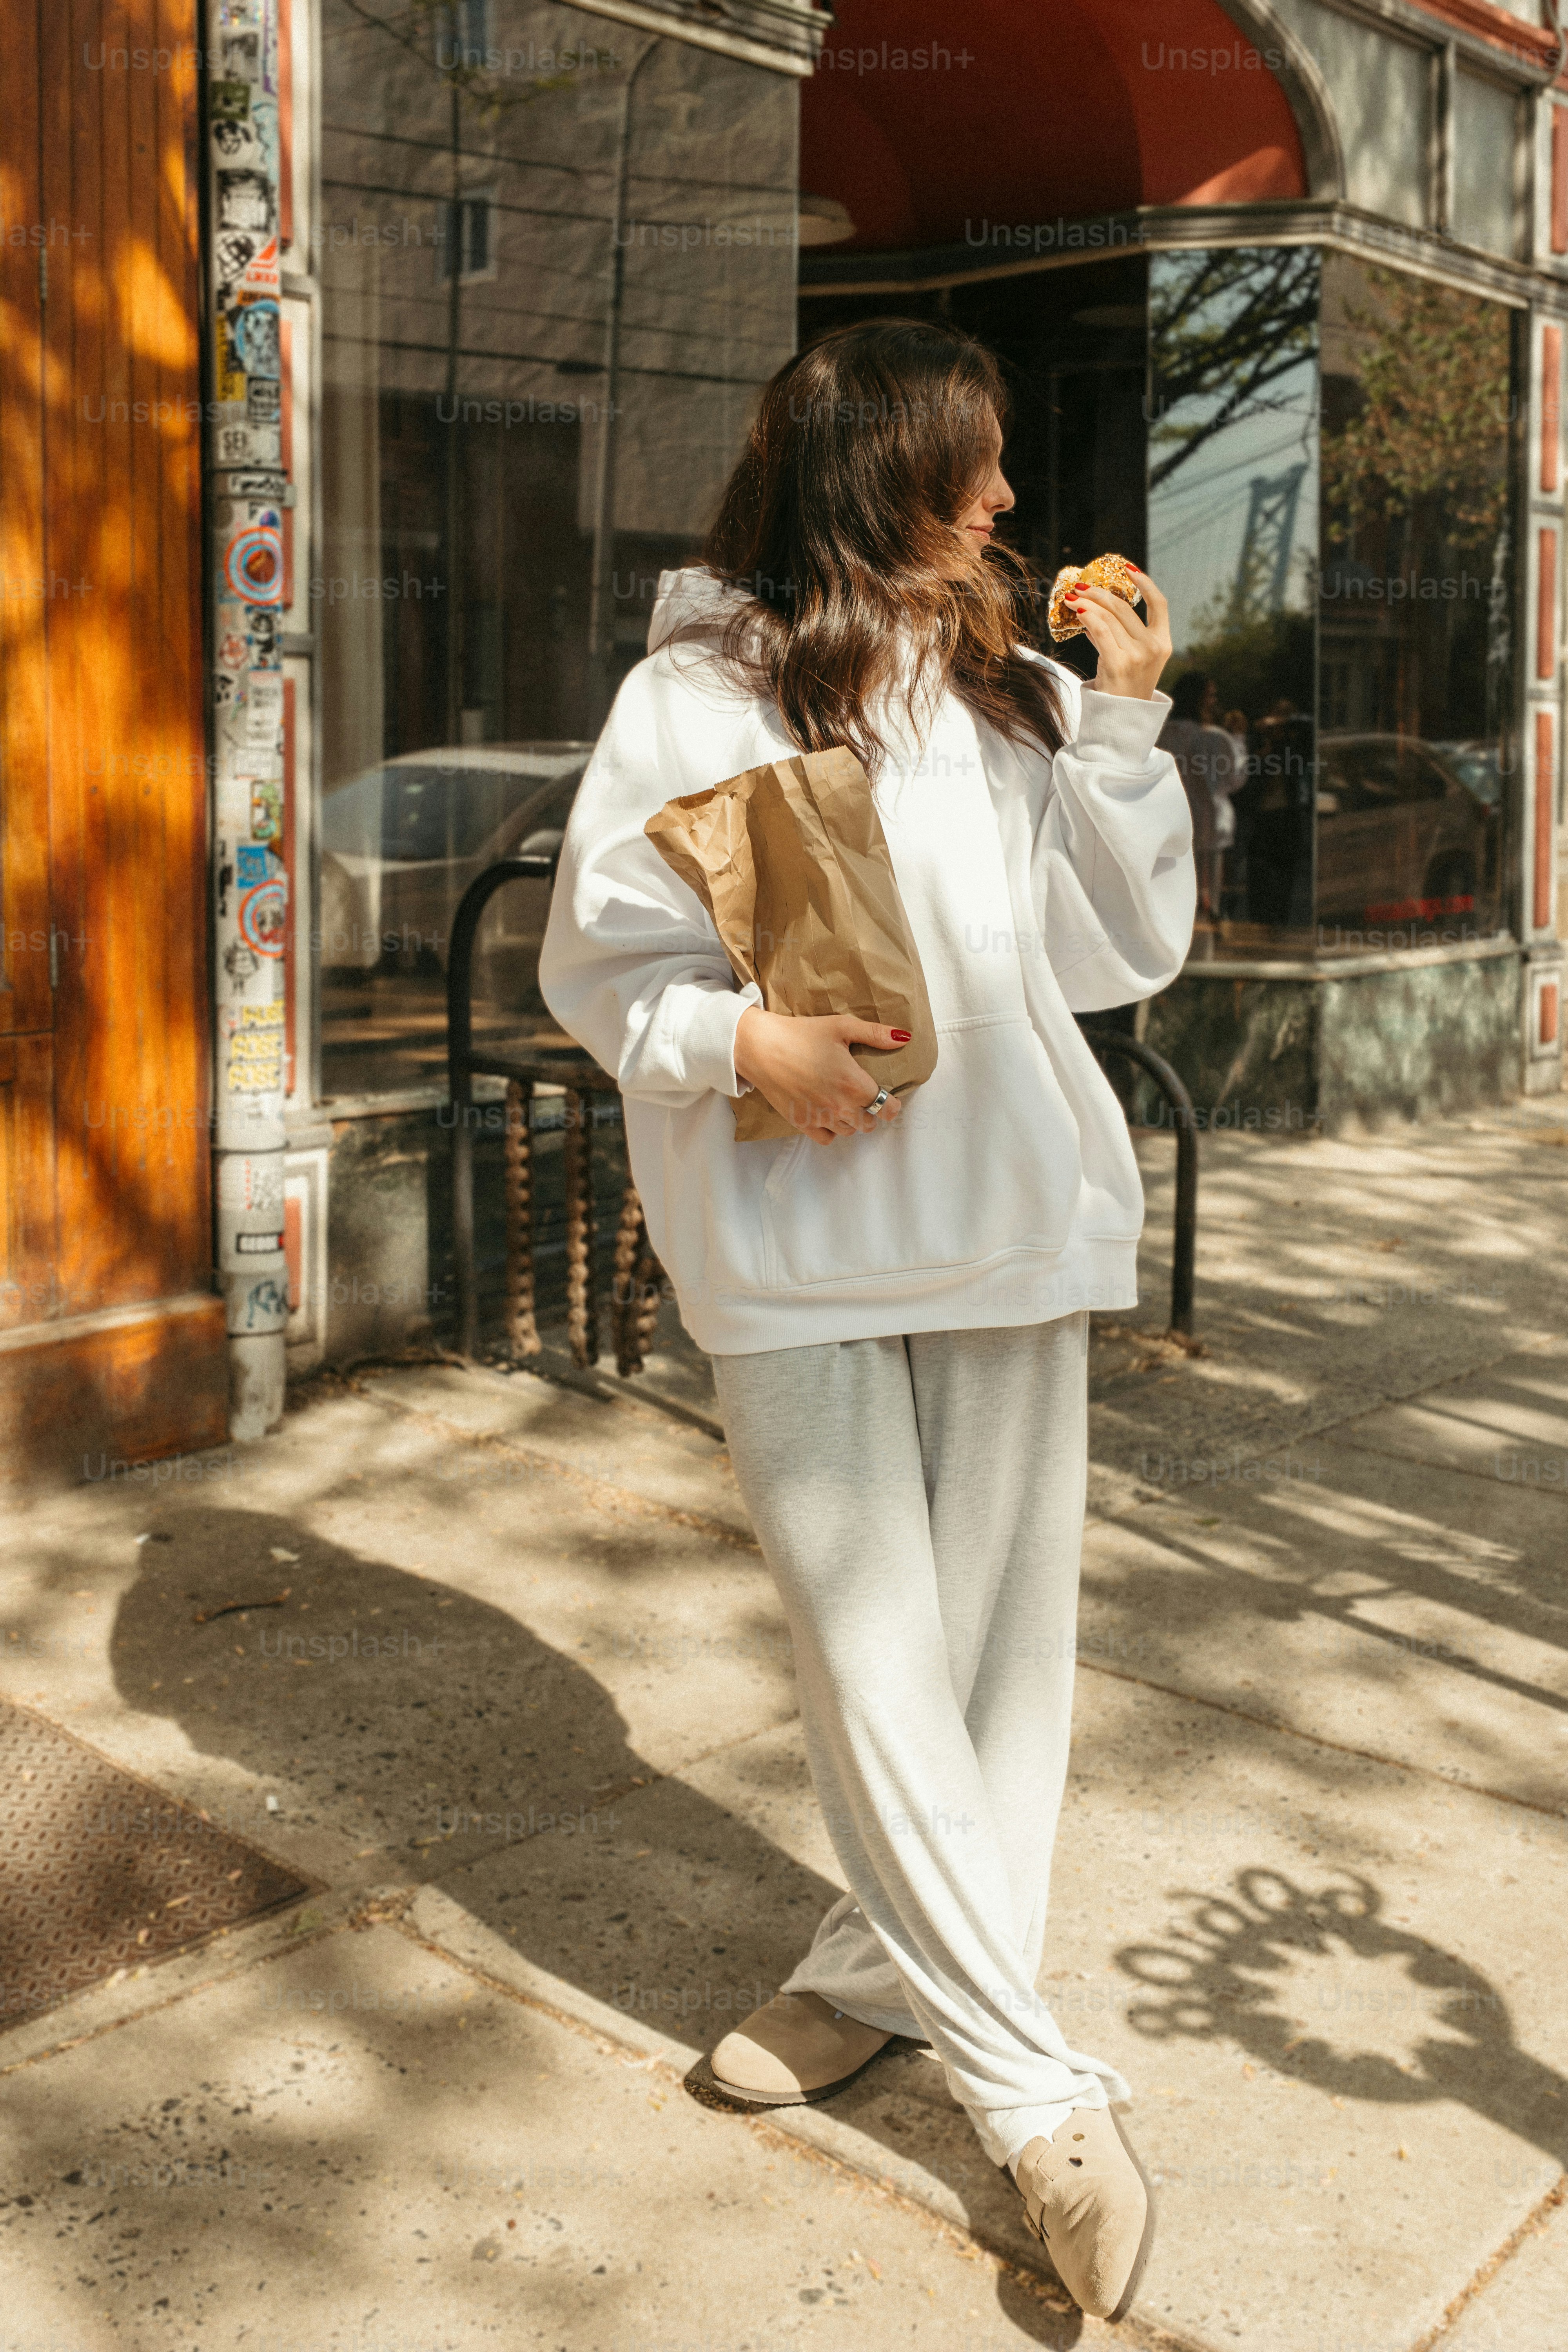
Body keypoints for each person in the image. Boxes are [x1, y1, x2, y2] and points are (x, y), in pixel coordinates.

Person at [540, 319, 1193, 2324]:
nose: (1002, 502)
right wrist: (736, 1031)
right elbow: (598, 961)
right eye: (967, 469)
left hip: (996, 1217)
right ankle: (1026, 2092)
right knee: (874, 1664)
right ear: (869, 479)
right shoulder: (692, 693)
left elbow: (1123, 945)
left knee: (996, 1675)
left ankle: (860, 1978)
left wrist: (1119, 721)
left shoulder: (1005, 697)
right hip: (796, 1235)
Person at [1157, 671, 1236, 920]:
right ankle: (1209, 919)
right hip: (1208, 816)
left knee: (1176, 878)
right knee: (1209, 878)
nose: (1214, 701)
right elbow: (1234, 778)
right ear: (1200, 699)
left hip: (1171, 816)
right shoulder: (1215, 738)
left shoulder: (1162, 733)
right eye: (1210, 695)